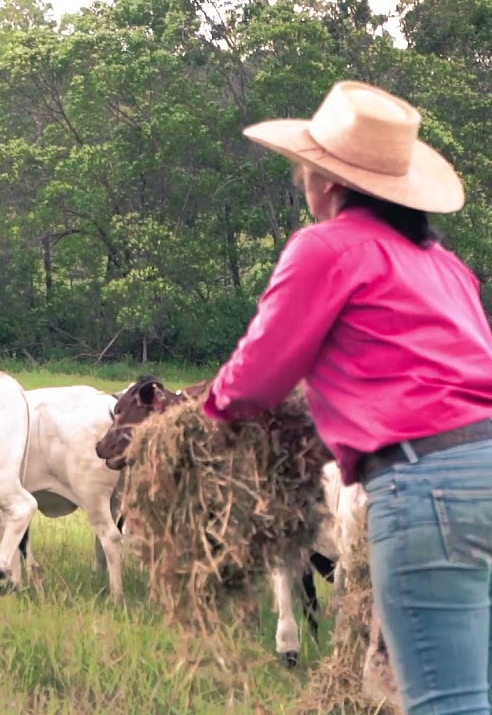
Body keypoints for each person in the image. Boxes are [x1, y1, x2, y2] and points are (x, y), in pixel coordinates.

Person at [202, 80, 492, 714]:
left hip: (429, 482)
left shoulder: (326, 247)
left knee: (447, 701)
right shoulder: (446, 266)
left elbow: (258, 378)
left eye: (304, 167)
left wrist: (210, 414)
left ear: (327, 182)